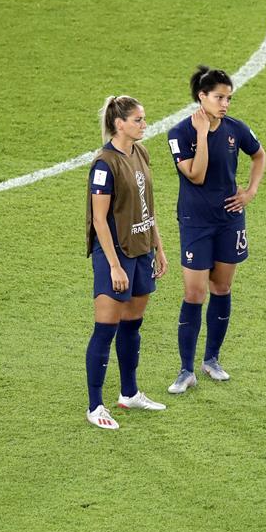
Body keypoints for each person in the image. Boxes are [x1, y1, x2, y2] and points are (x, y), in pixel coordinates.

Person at [165, 66, 266, 394]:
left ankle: (211, 360)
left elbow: (259, 155)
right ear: (202, 96)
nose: (225, 104)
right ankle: (186, 370)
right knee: (194, 293)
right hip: (195, 222)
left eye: (228, 98)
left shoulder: (237, 128)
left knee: (221, 287)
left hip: (229, 220)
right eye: (219, 97)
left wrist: (250, 192)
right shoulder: (179, 133)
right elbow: (196, 175)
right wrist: (201, 134)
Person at [84, 95, 169, 429]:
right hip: (116, 254)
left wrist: (158, 247)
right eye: (138, 120)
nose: (144, 124)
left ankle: (129, 393)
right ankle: (95, 406)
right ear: (119, 124)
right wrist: (114, 266)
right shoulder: (104, 164)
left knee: (133, 324)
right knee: (106, 328)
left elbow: (149, 206)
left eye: (143, 118)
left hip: (142, 249)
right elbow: (99, 219)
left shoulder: (140, 152)